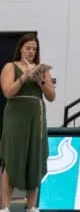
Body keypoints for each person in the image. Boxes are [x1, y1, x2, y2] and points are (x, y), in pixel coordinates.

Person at [0, 34, 55, 212]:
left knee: (35, 158)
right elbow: (8, 92)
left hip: (37, 116)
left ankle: (31, 206)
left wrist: (40, 81)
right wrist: (24, 77)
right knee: (12, 158)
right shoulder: (10, 67)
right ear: (20, 49)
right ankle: (5, 206)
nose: (31, 51)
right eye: (28, 48)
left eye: (34, 49)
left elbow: (51, 97)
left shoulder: (42, 70)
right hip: (16, 116)